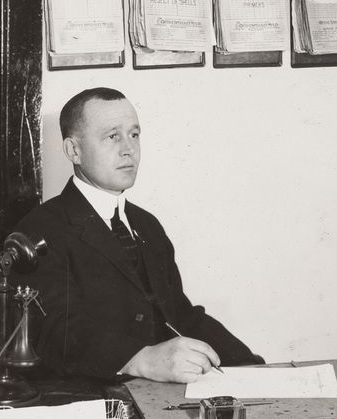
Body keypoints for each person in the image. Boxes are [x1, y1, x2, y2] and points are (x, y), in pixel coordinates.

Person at [13, 87, 263, 383]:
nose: (128, 149)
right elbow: (52, 331)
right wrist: (139, 359)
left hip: (157, 395)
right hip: (91, 397)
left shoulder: (147, 225)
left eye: (134, 135)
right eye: (112, 136)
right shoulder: (39, 230)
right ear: (73, 151)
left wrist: (251, 367)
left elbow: (179, 315)